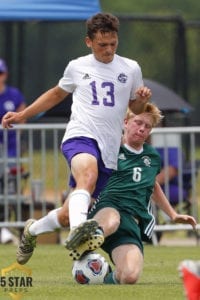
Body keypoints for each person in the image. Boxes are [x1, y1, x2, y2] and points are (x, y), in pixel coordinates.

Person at [1, 13, 151, 264]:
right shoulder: (77, 66)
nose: (109, 50)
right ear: (88, 42)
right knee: (87, 175)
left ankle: (32, 231)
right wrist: (23, 114)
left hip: (110, 148)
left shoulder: (131, 68)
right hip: (80, 136)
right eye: (102, 45)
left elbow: (135, 109)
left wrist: (142, 101)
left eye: (113, 43)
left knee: (67, 214)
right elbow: (56, 94)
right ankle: (79, 238)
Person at [87, 103, 196, 284]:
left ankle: (103, 277)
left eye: (148, 126)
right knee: (113, 220)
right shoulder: (110, 148)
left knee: (130, 276)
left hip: (130, 223)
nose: (142, 129)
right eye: (138, 122)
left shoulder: (152, 157)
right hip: (106, 208)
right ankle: (84, 244)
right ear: (126, 122)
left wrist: (173, 214)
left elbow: (152, 185)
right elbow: (88, 174)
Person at [0, 58, 26, 244]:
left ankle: (6, 228)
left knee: (9, 191)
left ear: (5, 74)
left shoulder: (14, 94)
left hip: (10, 151)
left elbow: (22, 117)